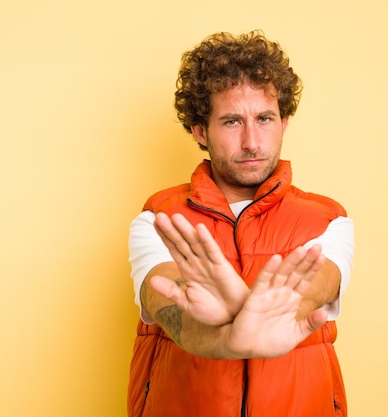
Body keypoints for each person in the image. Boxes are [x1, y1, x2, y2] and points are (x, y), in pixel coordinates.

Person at [127, 30, 355, 417]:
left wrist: (235, 312)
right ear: (201, 130)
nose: (252, 141)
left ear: (284, 122)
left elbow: (317, 289)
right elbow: (164, 303)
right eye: (232, 122)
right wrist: (232, 337)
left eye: (264, 119)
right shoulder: (158, 219)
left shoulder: (328, 219)